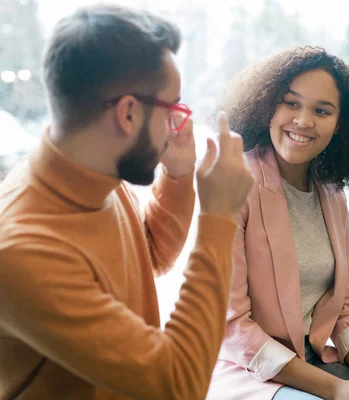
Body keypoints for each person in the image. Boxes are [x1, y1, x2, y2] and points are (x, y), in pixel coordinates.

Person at [0, 5, 253, 399]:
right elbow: (178, 385)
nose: (177, 123)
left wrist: (179, 173)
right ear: (129, 113)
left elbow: (149, 253)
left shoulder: (93, 167)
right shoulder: (23, 250)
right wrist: (218, 216)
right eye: (171, 107)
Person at [206, 47, 349, 400]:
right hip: (246, 374)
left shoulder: (332, 193)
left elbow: (347, 307)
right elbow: (230, 325)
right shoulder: (233, 184)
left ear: (339, 125)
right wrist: (337, 388)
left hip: (318, 367)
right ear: (267, 106)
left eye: (322, 111)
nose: (304, 120)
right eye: (290, 103)